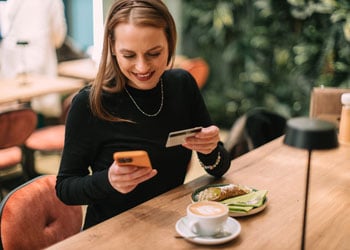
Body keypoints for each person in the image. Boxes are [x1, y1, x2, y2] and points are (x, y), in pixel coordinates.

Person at [56, 0, 231, 230]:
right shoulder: (90, 103)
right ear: (112, 48)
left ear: (169, 43)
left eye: (154, 53)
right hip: (112, 232)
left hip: (173, 224)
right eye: (128, 55)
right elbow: (65, 188)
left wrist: (209, 151)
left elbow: (219, 168)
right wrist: (107, 180)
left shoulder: (182, 85)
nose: (142, 67)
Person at [0, 0, 67, 118]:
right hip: (40, 65)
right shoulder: (52, 2)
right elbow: (58, 38)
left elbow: (5, 28)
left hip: (12, 64)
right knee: (39, 115)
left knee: (17, 116)